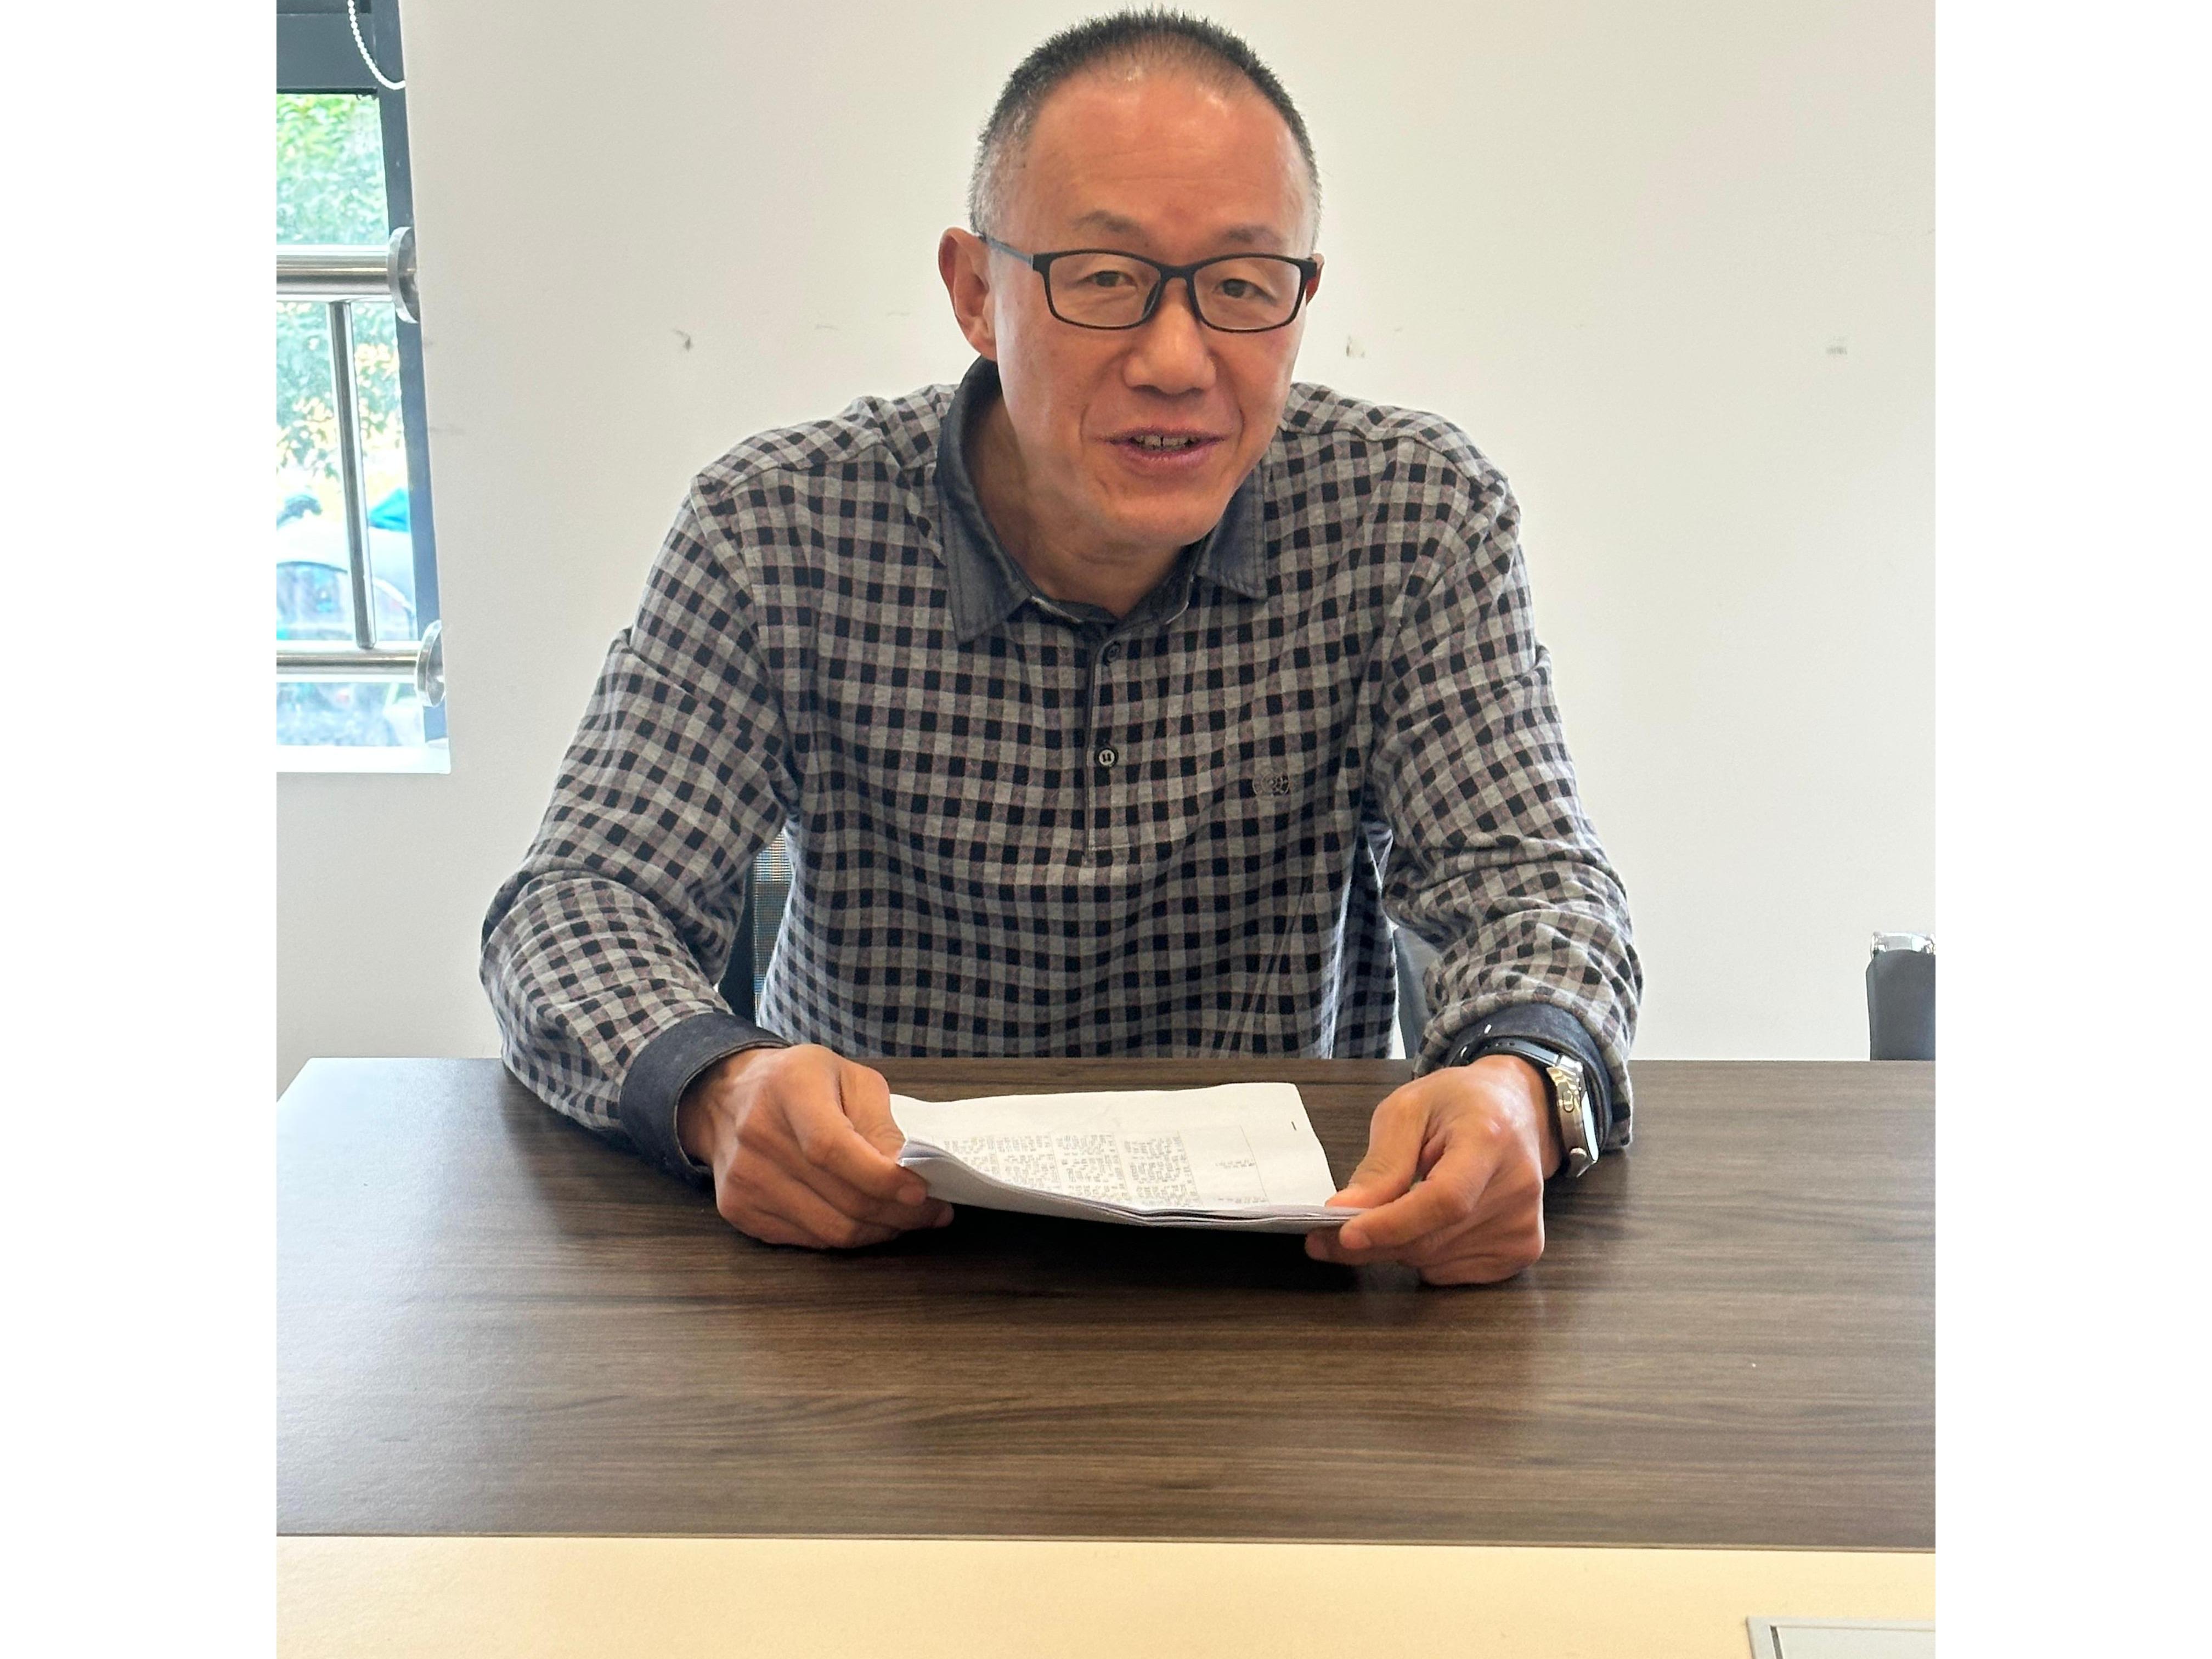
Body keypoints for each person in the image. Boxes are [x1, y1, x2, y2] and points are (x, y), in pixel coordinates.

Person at [482, 10, 1640, 1285]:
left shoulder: (1411, 518)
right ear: (977, 293)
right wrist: (719, 1088)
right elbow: (578, 899)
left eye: (1242, 285)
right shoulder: (778, 529)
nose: (1178, 360)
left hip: (1287, 1261)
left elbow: (1534, 890)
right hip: (860, 1244)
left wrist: (1521, 1084)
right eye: (1103, 278)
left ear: (1304, 297)